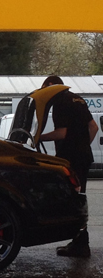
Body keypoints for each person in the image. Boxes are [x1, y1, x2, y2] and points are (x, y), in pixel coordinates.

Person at [40, 75, 98, 258]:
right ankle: (79, 241)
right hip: (84, 156)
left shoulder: (60, 102)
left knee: (73, 199)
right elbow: (94, 127)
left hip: (70, 159)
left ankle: (81, 245)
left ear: (50, 86)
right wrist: (83, 146)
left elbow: (61, 133)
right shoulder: (78, 99)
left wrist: (39, 138)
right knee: (79, 197)